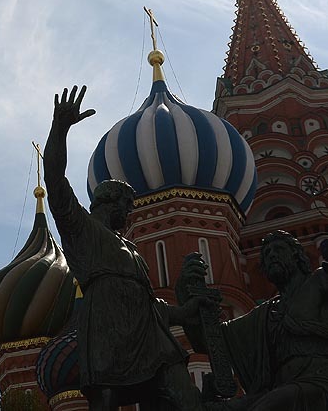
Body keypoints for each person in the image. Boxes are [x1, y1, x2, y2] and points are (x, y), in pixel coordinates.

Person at [43, 85, 206, 410]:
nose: (130, 213)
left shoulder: (131, 251)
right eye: (127, 206)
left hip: (150, 337)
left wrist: (184, 312)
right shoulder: (82, 228)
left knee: (180, 396)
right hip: (106, 330)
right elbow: (55, 180)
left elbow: (149, 303)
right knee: (106, 398)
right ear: (108, 202)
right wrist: (59, 131)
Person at [179, 230, 328, 410]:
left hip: (318, 380)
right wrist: (185, 294)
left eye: (278, 249)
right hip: (279, 387)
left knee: (272, 403)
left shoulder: (320, 281)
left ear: (297, 256)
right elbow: (210, 341)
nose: (272, 255)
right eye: (266, 254)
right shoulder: (266, 313)